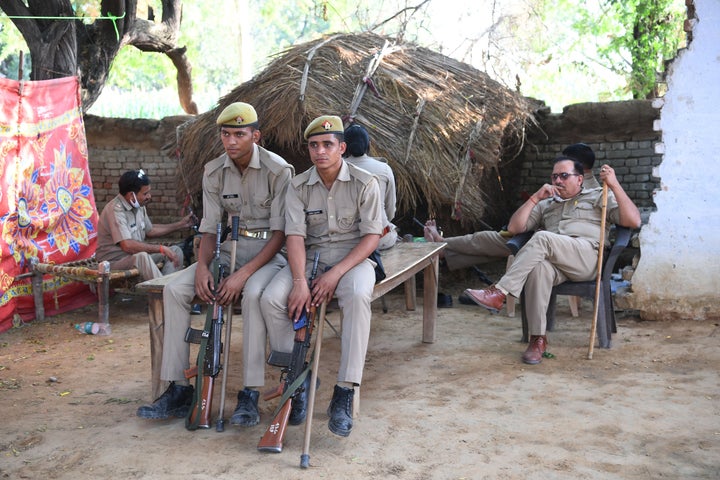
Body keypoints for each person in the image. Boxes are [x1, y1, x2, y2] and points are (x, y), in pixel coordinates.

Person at [136, 102, 294, 422]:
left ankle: (248, 393)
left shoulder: (279, 171)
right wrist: (203, 267)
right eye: (226, 134)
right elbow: (209, 228)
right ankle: (179, 387)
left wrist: (243, 275)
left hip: (270, 256)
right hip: (227, 251)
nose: (231, 141)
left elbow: (281, 233)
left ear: (256, 136)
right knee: (174, 290)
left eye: (239, 134)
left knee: (251, 297)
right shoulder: (213, 171)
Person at [262, 115, 383, 437]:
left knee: (357, 297)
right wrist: (300, 282)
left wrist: (336, 275)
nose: (320, 151)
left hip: (352, 258)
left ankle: (344, 390)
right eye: (314, 145)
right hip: (308, 257)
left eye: (328, 144)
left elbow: (372, 237)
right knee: (272, 298)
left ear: (341, 148)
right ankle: (299, 375)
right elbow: (296, 237)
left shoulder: (365, 183)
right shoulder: (298, 186)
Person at [463, 156, 641, 364]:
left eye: (564, 176)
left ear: (579, 179)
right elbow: (514, 229)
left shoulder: (599, 196)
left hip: (586, 258)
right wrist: (535, 198)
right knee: (539, 269)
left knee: (542, 237)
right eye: (554, 176)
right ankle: (537, 339)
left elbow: (633, 220)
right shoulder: (547, 203)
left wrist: (614, 185)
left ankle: (500, 292)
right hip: (556, 261)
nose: (558, 181)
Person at [423, 143, 600, 304]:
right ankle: (443, 249)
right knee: (490, 240)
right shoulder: (560, 185)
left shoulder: (594, 193)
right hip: (536, 236)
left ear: (579, 170)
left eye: (565, 167)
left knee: (520, 243)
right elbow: (523, 222)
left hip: (562, 249)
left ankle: (498, 290)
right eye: (557, 174)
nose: (559, 177)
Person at [96, 169, 194, 281]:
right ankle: (161, 291)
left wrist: (180, 224)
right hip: (113, 263)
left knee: (175, 251)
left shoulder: (139, 206)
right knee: (142, 256)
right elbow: (127, 245)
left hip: (133, 257)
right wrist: (161, 248)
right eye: (145, 193)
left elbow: (150, 230)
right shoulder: (115, 210)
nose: (149, 196)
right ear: (131, 195)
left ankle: (166, 288)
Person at [343, 124, 398, 250]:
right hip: (380, 239)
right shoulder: (384, 169)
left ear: (343, 146)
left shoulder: (335, 169)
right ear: (369, 144)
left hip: (346, 242)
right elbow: (390, 209)